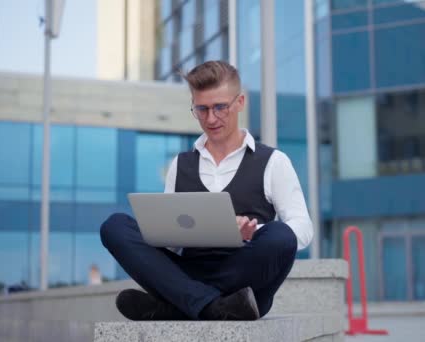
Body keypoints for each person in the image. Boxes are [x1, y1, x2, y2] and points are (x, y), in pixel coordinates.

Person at [100, 61, 313, 321]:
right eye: (202, 109)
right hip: (188, 272)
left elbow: (303, 228)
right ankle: (209, 305)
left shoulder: (273, 162)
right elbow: (170, 240)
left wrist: (251, 231)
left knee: (281, 235)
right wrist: (167, 233)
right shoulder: (181, 164)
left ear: (240, 102)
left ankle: (177, 305)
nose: (211, 118)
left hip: (244, 279)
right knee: (115, 226)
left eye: (220, 107)